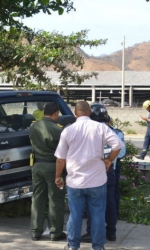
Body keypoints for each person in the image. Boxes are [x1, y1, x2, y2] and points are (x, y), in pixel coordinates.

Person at [54, 101, 124, 250]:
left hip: (75, 182)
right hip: (97, 180)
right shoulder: (101, 128)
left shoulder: (68, 130)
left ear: (75, 113)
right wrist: (109, 160)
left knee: (75, 215)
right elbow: (118, 145)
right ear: (90, 113)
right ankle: (98, 246)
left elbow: (60, 158)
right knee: (98, 214)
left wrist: (57, 176)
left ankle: (73, 246)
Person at [82, 109, 126, 244]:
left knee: (93, 203)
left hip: (96, 172)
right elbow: (121, 152)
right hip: (110, 170)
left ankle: (92, 232)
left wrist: (103, 160)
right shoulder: (116, 133)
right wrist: (109, 159)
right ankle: (111, 232)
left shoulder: (91, 133)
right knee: (110, 203)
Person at [29, 101, 66, 242]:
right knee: (55, 199)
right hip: (53, 167)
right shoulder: (58, 130)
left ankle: (35, 231)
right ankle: (55, 232)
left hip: (37, 166)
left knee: (37, 198)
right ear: (56, 113)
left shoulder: (33, 127)